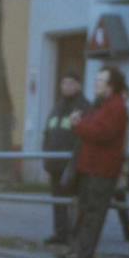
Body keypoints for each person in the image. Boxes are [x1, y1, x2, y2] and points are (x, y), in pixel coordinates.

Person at [65, 66, 129, 258]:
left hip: (101, 171)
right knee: (84, 211)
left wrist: (78, 125)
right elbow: (92, 126)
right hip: (90, 168)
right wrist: (81, 123)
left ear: (111, 86)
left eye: (101, 80)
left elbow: (101, 133)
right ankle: (76, 250)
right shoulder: (101, 105)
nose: (96, 83)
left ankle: (84, 252)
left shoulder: (116, 107)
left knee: (93, 213)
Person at [40, 73, 89, 246]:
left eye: (70, 83)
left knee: (74, 200)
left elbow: (83, 137)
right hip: (54, 163)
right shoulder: (57, 106)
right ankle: (60, 233)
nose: (66, 87)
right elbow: (47, 133)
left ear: (78, 85)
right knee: (58, 201)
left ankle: (75, 235)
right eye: (63, 83)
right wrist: (45, 157)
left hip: (72, 164)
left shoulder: (83, 107)